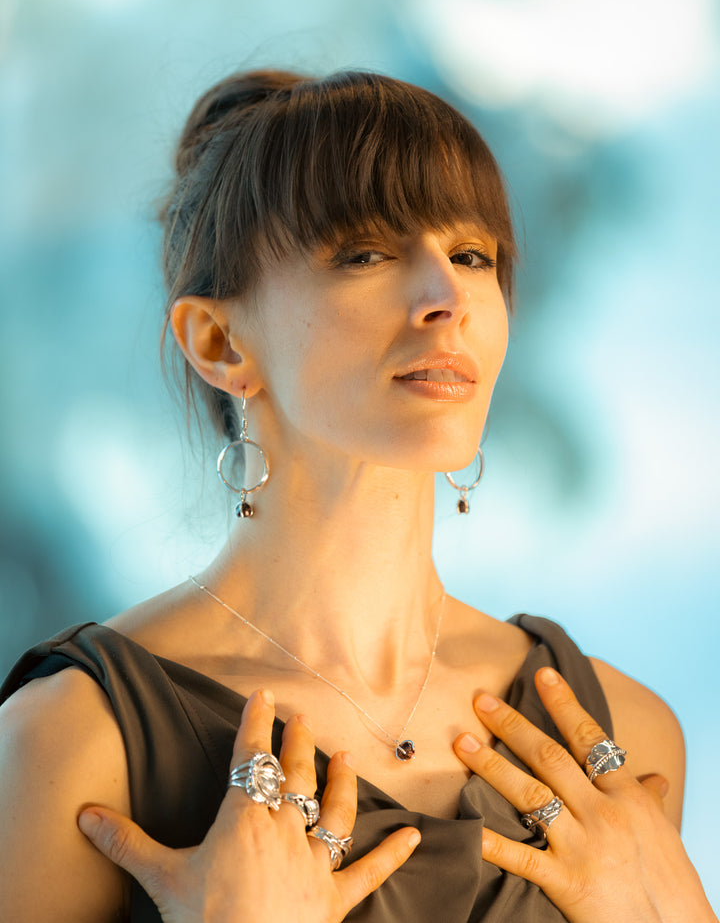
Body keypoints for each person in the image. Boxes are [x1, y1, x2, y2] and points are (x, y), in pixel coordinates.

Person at [0, 69, 715, 923]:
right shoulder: (70, 742)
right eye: (366, 253)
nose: (445, 298)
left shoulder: (624, 738)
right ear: (220, 340)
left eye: (472, 255)